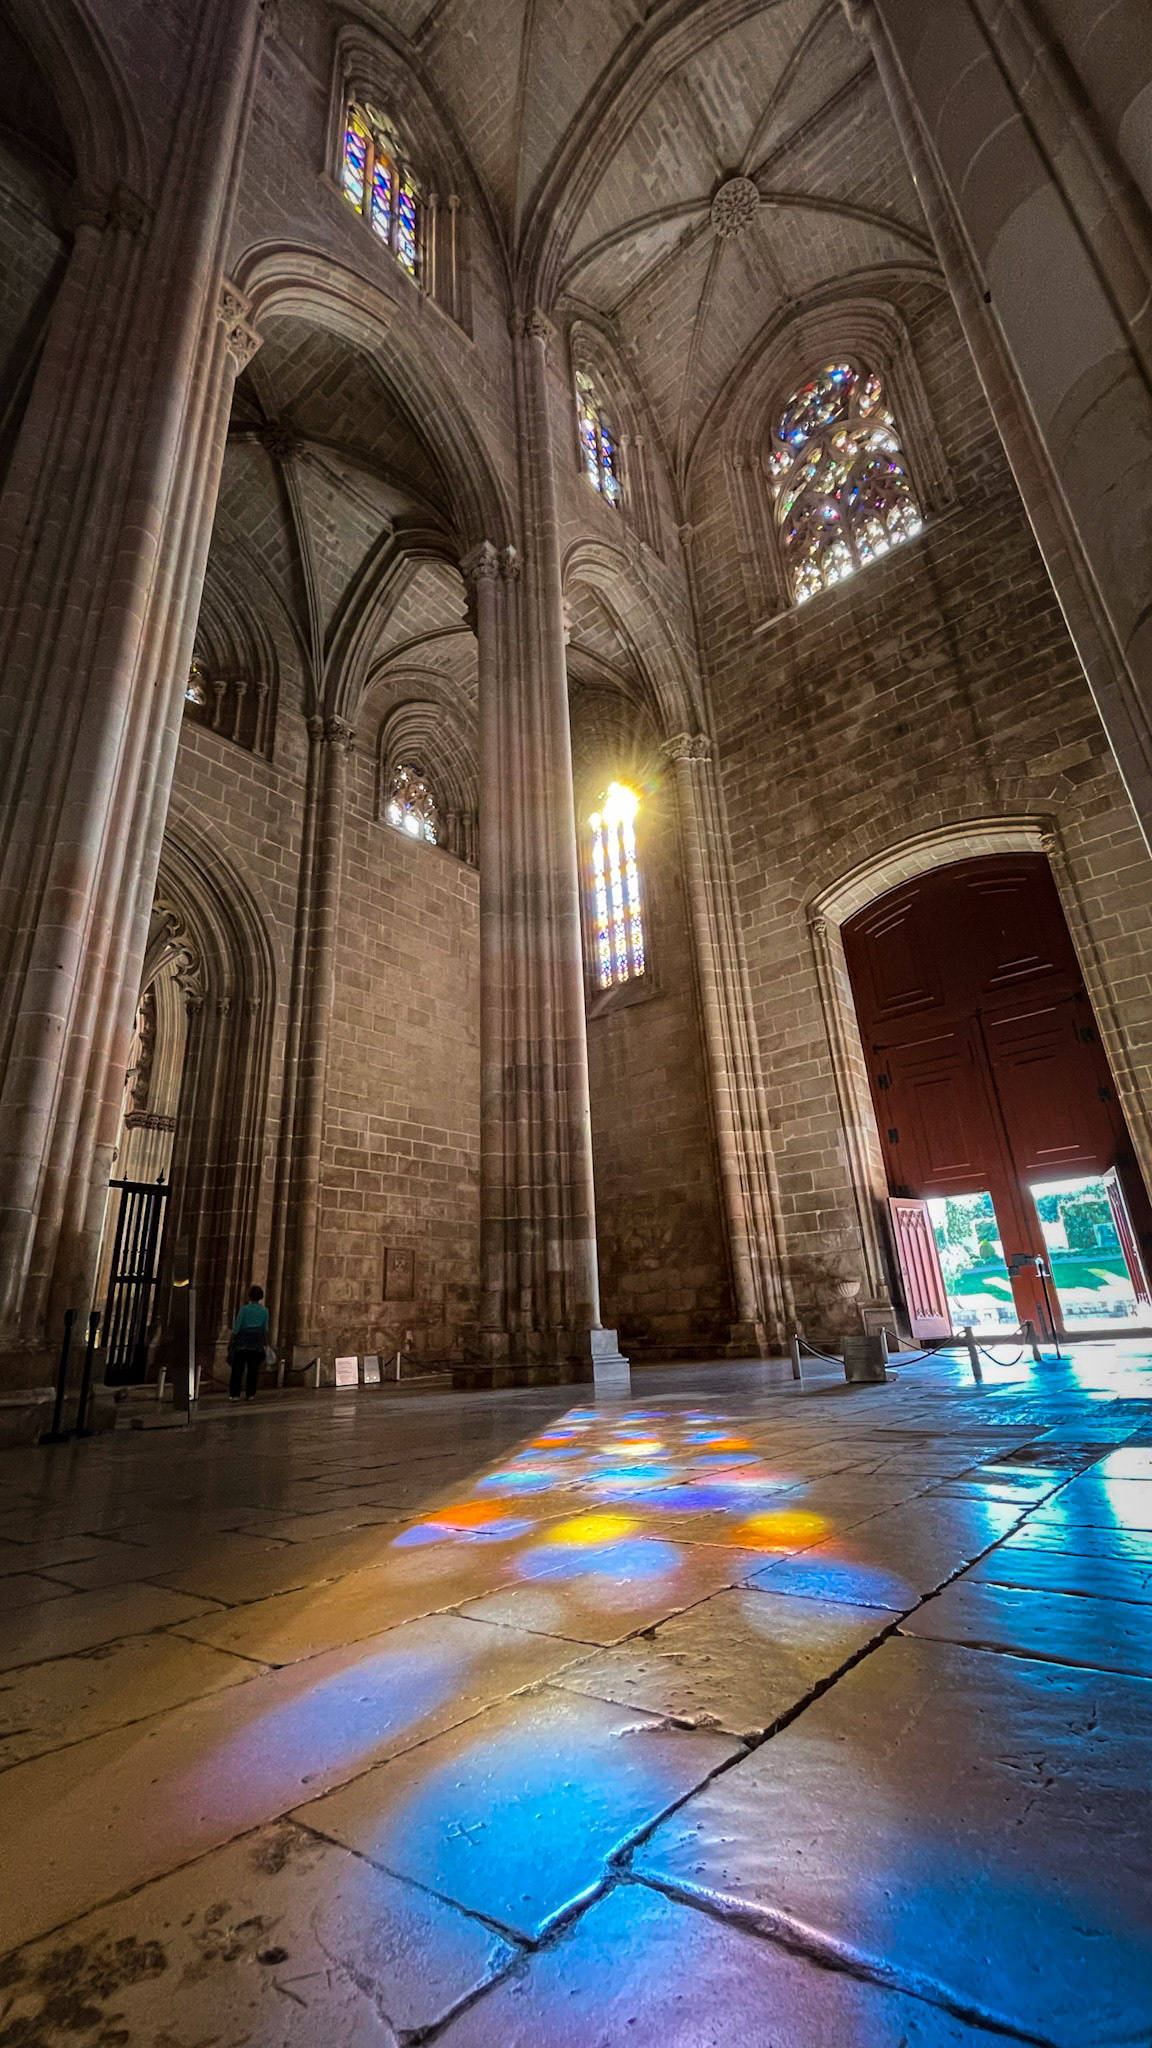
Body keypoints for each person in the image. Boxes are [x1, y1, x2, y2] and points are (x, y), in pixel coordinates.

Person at [229, 1285, 270, 1401]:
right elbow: (265, 1329)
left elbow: (237, 1326)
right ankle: (250, 1393)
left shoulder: (244, 1309)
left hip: (243, 1340)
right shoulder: (264, 1310)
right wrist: (267, 1344)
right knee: (253, 1370)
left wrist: (231, 1340)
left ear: (250, 1296)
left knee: (237, 1369)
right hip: (256, 1342)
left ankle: (234, 1394)